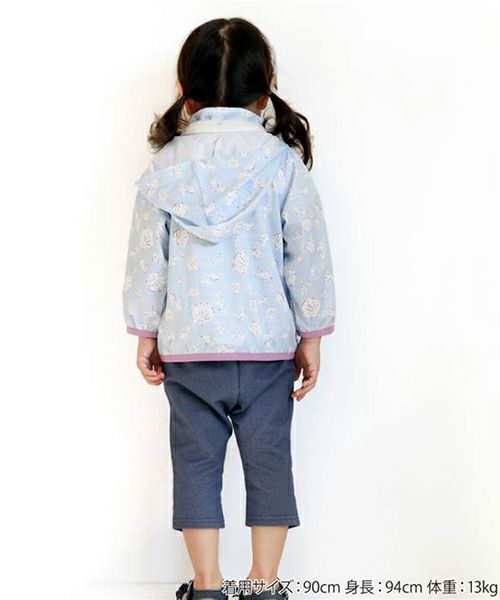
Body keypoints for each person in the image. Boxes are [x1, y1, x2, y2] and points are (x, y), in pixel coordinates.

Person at [121, 16, 336, 600]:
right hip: (268, 350)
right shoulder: (281, 164)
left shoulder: (164, 169)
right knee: (269, 463)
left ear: (185, 91)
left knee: (195, 465)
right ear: (265, 90)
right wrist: (311, 334)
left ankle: (208, 585)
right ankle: (264, 585)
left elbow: (147, 261)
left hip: (189, 351)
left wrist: (146, 333)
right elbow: (308, 254)